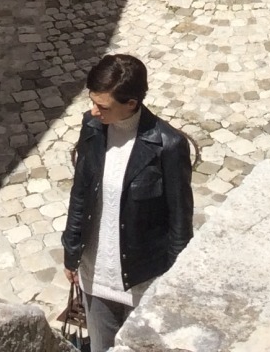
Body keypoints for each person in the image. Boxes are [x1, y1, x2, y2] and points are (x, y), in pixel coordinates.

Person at [62, 54, 194, 351]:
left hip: (144, 279)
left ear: (131, 103)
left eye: (103, 106)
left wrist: (173, 282)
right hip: (96, 276)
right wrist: (71, 250)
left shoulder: (168, 145)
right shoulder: (92, 127)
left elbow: (179, 220)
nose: (94, 111)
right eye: (92, 102)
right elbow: (80, 192)